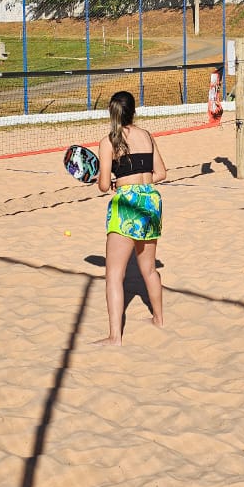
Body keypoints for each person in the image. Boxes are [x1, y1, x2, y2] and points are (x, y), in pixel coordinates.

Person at [94, 91, 167, 345]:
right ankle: (158, 319)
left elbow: (103, 185)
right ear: (133, 111)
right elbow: (161, 173)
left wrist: (117, 183)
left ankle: (115, 337)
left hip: (126, 202)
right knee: (149, 268)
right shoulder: (147, 136)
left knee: (114, 274)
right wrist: (137, 181)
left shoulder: (108, 141)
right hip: (151, 200)